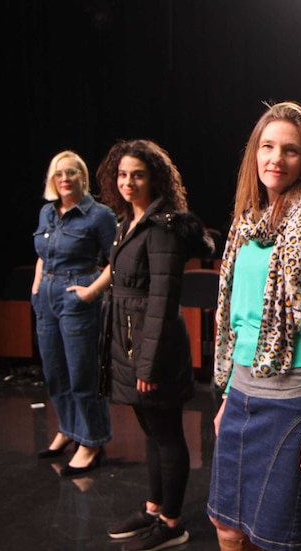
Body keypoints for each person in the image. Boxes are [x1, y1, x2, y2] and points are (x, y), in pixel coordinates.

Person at [206, 101, 301, 551]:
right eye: (267, 146)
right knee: (227, 527)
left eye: (290, 150)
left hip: (292, 404)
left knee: (286, 539)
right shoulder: (245, 223)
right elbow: (237, 320)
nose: (276, 158)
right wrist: (230, 392)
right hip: (243, 394)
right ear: (254, 154)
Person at [70, 139, 214, 551]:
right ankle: (154, 508)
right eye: (122, 174)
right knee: (151, 433)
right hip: (129, 342)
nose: (128, 182)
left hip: (153, 349)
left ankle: (172, 523)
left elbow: (162, 302)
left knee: (167, 435)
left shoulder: (164, 226)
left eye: (138, 174)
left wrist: (148, 366)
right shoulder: (127, 222)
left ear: (154, 178)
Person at [31, 150, 117, 476]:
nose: (65, 179)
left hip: (77, 295)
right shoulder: (47, 213)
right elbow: (42, 253)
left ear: (83, 177)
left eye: (71, 173)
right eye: (59, 174)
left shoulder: (99, 216)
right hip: (47, 297)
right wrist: (37, 285)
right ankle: (68, 429)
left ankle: (92, 440)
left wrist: (91, 292)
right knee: (55, 372)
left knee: (82, 373)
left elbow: (116, 261)